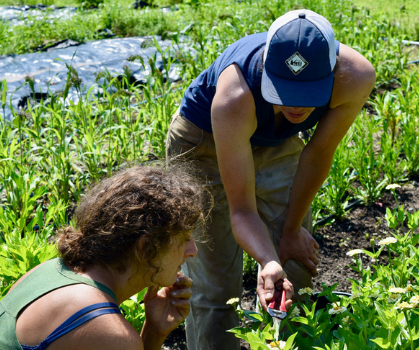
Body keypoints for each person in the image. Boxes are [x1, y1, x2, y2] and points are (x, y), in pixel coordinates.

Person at [165, 9, 375, 350]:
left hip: (275, 140)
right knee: (216, 285)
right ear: (267, 71)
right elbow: (241, 211)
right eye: (284, 91)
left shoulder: (354, 77)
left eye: (307, 94)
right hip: (204, 143)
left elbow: (317, 154)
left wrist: (290, 232)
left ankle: (290, 341)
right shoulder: (235, 95)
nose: (295, 105)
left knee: (297, 260)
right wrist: (267, 260)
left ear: (331, 73)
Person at [0, 164, 240, 350]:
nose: (193, 251)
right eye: (185, 238)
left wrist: (155, 331)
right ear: (146, 248)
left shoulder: (50, 272)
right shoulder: (108, 332)